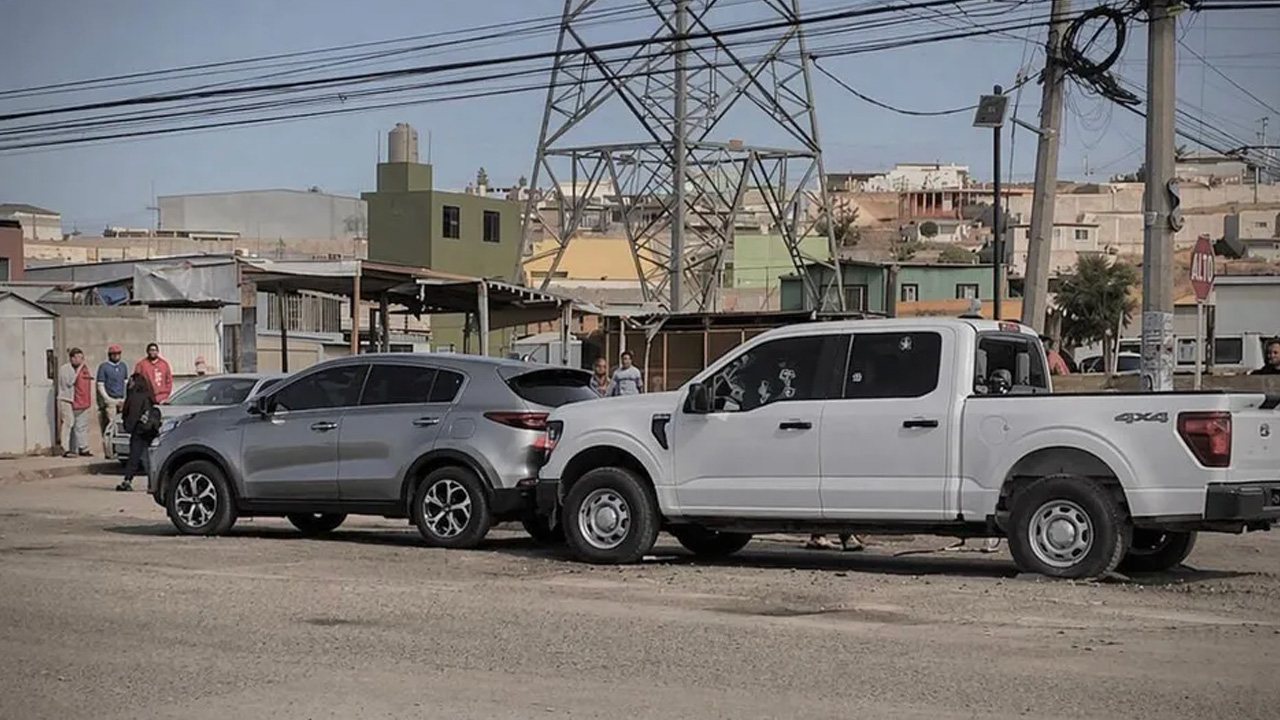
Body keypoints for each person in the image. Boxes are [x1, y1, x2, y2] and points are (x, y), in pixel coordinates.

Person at [118, 373, 158, 492]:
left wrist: (128, 427)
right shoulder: (147, 394)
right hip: (149, 430)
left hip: (139, 430)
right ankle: (152, 483)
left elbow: (132, 415)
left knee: (135, 456)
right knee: (147, 457)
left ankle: (127, 481)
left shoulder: (135, 396)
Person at [57, 348, 94, 458]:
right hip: (66, 399)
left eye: (81, 357)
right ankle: (65, 448)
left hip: (77, 400)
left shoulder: (81, 368)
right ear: (72, 358)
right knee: (68, 422)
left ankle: (82, 447)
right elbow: (69, 382)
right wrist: (78, 372)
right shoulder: (65, 369)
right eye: (78, 357)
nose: (80, 360)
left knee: (80, 425)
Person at [96, 344, 128, 459]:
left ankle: (120, 449)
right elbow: (100, 384)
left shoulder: (123, 366)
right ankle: (108, 450)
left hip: (122, 399)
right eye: (114, 354)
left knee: (122, 425)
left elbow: (125, 382)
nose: (116, 356)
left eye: (118, 354)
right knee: (111, 425)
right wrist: (107, 398)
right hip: (111, 399)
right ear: (110, 355)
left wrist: (125, 398)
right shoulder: (104, 367)